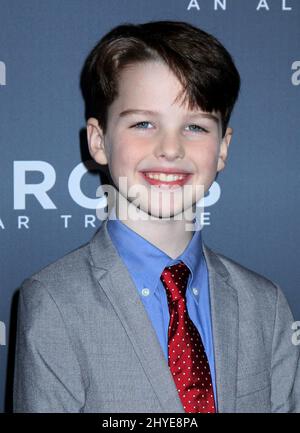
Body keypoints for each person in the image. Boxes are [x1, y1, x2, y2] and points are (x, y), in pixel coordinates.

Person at [13, 21, 300, 413]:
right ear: (99, 141)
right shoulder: (54, 301)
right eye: (144, 123)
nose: (170, 148)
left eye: (195, 126)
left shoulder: (265, 304)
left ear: (222, 148)